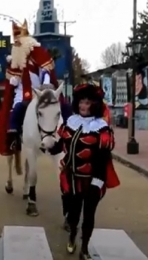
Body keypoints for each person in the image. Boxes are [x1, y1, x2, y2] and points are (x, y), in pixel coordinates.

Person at [57, 83, 120, 259]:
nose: (83, 106)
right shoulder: (71, 121)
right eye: (81, 102)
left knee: (89, 214)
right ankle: (71, 236)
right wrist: (48, 145)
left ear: (95, 104)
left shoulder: (101, 127)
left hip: (93, 180)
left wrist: (97, 182)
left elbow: (103, 158)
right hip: (73, 178)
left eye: (88, 102)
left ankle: (84, 248)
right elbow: (62, 145)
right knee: (74, 213)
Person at [0, 19, 72, 155]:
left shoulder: (39, 56)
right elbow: (14, 79)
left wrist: (46, 86)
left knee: (64, 106)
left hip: (41, 91)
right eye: (17, 42)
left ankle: (70, 131)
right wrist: (14, 81)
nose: (18, 44)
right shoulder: (16, 60)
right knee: (18, 108)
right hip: (22, 93)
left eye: (20, 41)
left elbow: (46, 72)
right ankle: (14, 136)